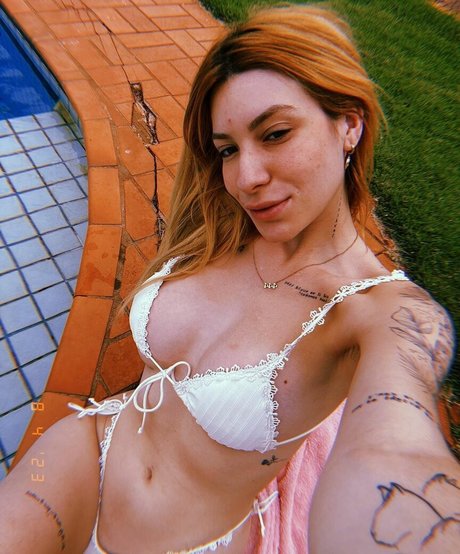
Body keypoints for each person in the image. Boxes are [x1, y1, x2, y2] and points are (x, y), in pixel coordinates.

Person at [1, 4, 458, 553]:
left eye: (276, 133)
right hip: (88, 448)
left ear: (349, 125)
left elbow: (396, 449)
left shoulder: (378, 312)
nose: (246, 178)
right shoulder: (219, 227)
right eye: (228, 149)